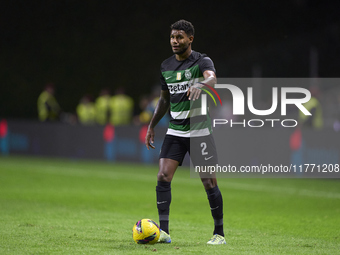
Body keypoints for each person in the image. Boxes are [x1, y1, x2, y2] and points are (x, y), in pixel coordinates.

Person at [145, 20, 225, 245]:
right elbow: (164, 99)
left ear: (190, 39)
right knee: (162, 176)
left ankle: (219, 234)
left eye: (179, 37)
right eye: (172, 37)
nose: (174, 41)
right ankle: (164, 232)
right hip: (175, 131)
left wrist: (201, 85)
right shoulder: (166, 66)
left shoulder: (201, 61)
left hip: (200, 132)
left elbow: (212, 78)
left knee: (209, 182)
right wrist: (151, 126)